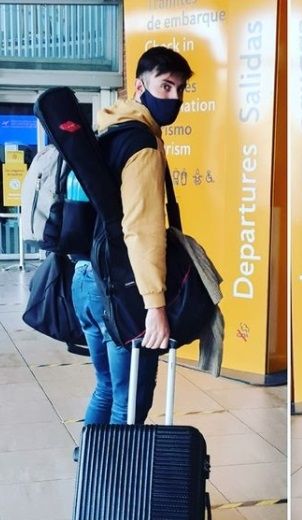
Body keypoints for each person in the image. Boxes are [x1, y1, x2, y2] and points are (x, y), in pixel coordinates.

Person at [71, 46, 193, 424]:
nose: (174, 97)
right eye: (165, 86)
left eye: (180, 89)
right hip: (122, 288)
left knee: (107, 388)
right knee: (129, 402)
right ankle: (114, 465)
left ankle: (90, 460)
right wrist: (155, 307)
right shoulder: (142, 145)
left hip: (86, 277)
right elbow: (142, 230)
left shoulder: (107, 131)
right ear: (140, 86)